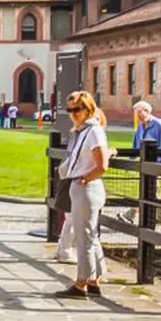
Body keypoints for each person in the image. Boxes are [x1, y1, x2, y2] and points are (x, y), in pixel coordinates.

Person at [55, 91, 111, 299]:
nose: (73, 114)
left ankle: (81, 283)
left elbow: (102, 165)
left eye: (77, 110)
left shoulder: (93, 131)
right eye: (70, 110)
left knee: (84, 237)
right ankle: (94, 279)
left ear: (88, 109)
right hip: (83, 186)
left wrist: (86, 178)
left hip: (86, 188)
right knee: (90, 235)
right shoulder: (84, 131)